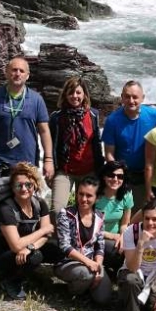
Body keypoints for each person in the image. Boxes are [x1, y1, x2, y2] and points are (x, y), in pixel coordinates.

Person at [0, 56, 53, 187]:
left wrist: (48, 160)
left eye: (22, 71)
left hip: (26, 163)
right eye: (14, 70)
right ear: (6, 72)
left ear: (27, 75)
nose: (17, 73)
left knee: (24, 199)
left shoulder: (37, 99)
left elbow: (44, 131)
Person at [0, 162, 61, 301]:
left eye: (28, 185)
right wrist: (42, 231)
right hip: (2, 254)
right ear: (12, 187)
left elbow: (47, 234)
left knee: (58, 249)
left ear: (35, 185)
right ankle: (11, 280)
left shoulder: (39, 204)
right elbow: (16, 245)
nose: (24, 189)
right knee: (34, 256)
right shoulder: (6, 209)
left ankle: (29, 274)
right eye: (18, 185)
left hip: (27, 248)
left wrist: (31, 247)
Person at [103, 80, 156, 209]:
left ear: (142, 98)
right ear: (122, 97)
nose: (131, 101)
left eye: (135, 97)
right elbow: (109, 153)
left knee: (144, 212)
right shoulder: (112, 120)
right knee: (123, 212)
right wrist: (116, 176)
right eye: (127, 96)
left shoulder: (154, 116)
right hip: (123, 177)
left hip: (148, 176)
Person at [48, 76, 103, 213]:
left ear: (84, 95)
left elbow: (97, 144)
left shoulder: (93, 115)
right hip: (65, 171)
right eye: (71, 92)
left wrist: (101, 171)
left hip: (89, 171)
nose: (75, 96)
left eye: (78, 92)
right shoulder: (56, 117)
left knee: (86, 211)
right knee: (57, 211)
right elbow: (51, 145)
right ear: (65, 95)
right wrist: (51, 169)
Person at [54, 176, 113, 304]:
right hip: (67, 262)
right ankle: (73, 293)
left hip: (91, 264)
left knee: (104, 298)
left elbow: (100, 246)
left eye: (89, 195)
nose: (83, 199)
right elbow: (64, 246)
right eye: (81, 194)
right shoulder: (65, 214)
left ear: (97, 198)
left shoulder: (100, 216)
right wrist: (89, 263)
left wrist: (99, 267)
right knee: (85, 274)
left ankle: (87, 286)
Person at [96, 160, 134, 274]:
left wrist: (123, 236)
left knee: (126, 245)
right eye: (111, 175)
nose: (115, 179)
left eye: (120, 176)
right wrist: (112, 236)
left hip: (116, 239)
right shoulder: (94, 194)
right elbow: (87, 226)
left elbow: (124, 224)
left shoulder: (127, 195)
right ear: (104, 176)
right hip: (95, 237)